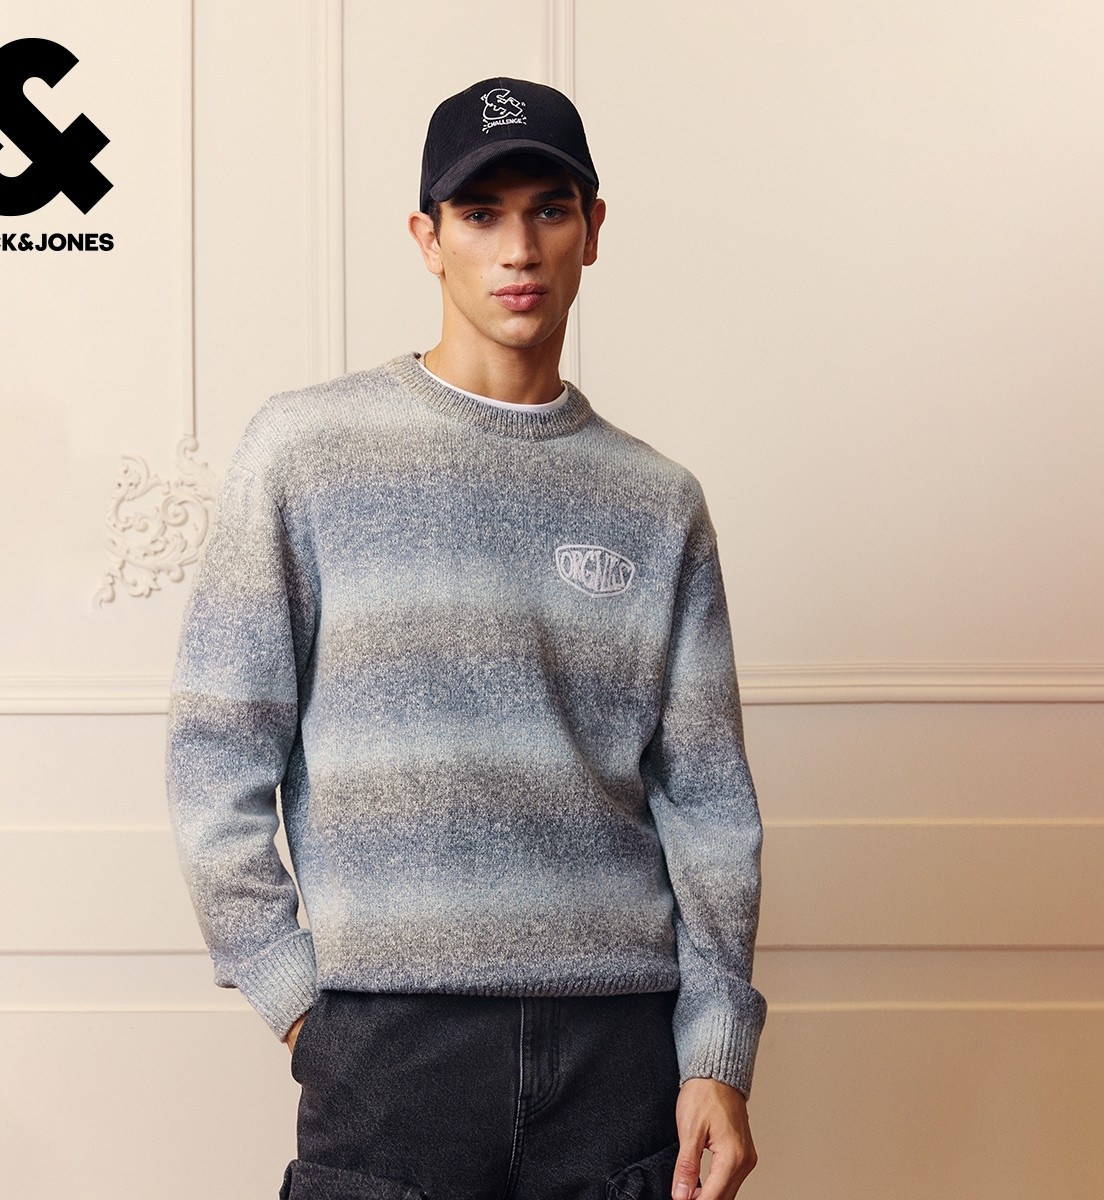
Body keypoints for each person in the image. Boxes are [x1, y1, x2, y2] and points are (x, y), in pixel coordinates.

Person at [167, 76, 765, 1200]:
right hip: (388, 1045)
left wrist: (716, 1050)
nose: (518, 248)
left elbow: (708, 804)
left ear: (593, 229)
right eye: (481, 214)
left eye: (549, 210)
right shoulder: (306, 452)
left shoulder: (656, 500)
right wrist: (294, 996)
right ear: (427, 239)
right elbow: (217, 750)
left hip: (620, 1049)